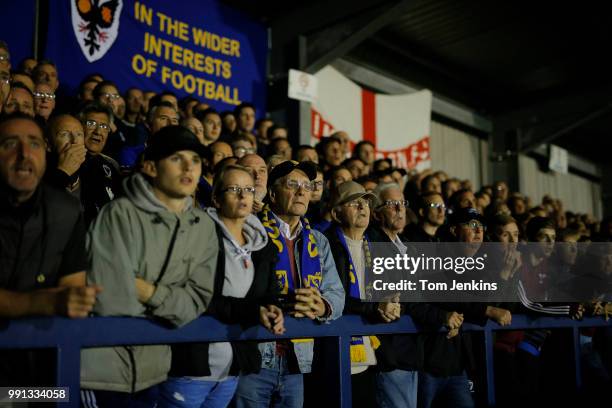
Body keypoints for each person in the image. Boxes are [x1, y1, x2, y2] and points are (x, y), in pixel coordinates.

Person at [81, 125, 218, 406]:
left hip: (155, 372)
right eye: (176, 159)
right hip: (99, 371)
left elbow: (197, 301)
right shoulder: (119, 213)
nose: (189, 167)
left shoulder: (204, 225)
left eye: (194, 160)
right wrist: (170, 301)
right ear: (151, 168)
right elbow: (111, 297)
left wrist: (148, 291)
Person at [160, 164, 284, 408]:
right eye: (234, 189)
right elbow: (199, 297)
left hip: (231, 369)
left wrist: (273, 308)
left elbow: (270, 293)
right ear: (216, 198)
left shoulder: (264, 245)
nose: (243, 195)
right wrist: (252, 311)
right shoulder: (197, 235)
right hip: (190, 366)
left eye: (248, 189)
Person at [234, 160, 345, 408]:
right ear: (272, 193)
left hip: (298, 361)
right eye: (292, 184)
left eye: (307, 185)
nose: (302, 191)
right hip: (256, 357)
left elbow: (337, 294)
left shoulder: (318, 240)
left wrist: (322, 305)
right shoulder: (251, 230)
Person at [0, 113, 100, 386]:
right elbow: (56, 300)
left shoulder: (66, 210)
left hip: (44, 375)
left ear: (44, 152)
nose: (24, 154)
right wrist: (41, 302)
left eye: (33, 143)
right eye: (10, 144)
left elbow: (71, 295)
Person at [324, 181, 399, 408]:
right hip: (333, 353)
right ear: (336, 213)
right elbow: (335, 298)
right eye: (354, 202)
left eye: (365, 202)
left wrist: (392, 302)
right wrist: (376, 307)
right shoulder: (325, 243)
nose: (362, 207)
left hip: (371, 355)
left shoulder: (376, 244)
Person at [77, 103, 122, 225]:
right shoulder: (67, 160)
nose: (97, 131)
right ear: (79, 126)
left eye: (103, 126)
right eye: (91, 124)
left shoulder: (112, 166)